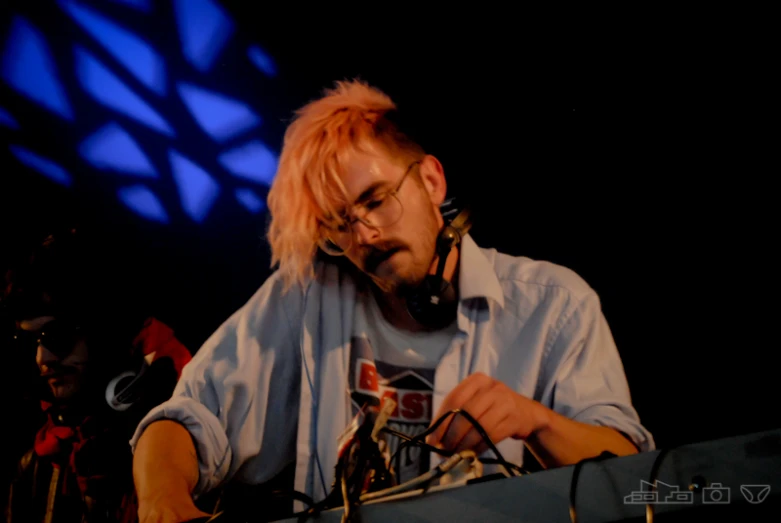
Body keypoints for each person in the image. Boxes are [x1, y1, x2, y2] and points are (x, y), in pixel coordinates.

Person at [130, 80, 654, 522]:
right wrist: (162, 500)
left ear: (430, 180)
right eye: (338, 227)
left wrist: (535, 421)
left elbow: (634, 475)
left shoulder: (555, 304)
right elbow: (188, 415)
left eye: (375, 201)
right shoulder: (308, 298)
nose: (365, 237)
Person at [2, 228, 192, 523]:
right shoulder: (36, 464)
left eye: (57, 336)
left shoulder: (177, 450)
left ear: (104, 333)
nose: (42, 358)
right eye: (30, 342)